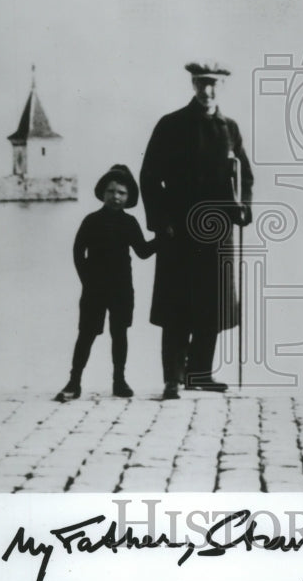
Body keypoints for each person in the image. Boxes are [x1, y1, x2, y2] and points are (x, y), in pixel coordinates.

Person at [140, 62, 253, 400]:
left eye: (214, 84)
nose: (208, 91)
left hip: (217, 229)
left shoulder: (229, 128)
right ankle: (172, 378)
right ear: (192, 83)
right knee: (177, 304)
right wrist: (161, 221)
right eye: (202, 84)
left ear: (222, 86)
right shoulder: (171, 124)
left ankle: (199, 373)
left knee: (213, 303)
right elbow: (149, 176)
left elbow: (244, 176)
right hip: (178, 229)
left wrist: (244, 206)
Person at [55, 164, 157, 402]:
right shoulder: (91, 221)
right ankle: (74, 381)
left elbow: (142, 251)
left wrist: (163, 239)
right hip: (94, 288)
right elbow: (78, 252)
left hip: (122, 288)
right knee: (86, 334)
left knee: (119, 333)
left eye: (121, 192)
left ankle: (119, 381)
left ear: (128, 197)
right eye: (111, 191)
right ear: (103, 193)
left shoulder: (130, 223)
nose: (115, 196)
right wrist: (86, 280)